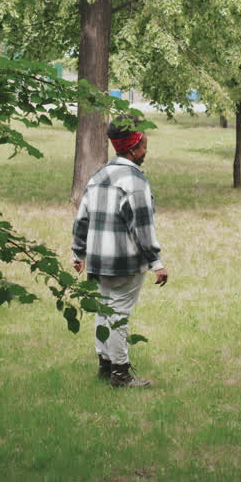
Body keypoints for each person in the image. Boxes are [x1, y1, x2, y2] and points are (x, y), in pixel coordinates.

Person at [72, 117, 168, 388]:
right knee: (118, 314)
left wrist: (78, 252)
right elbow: (142, 226)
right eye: (144, 146)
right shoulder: (135, 181)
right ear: (134, 148)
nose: (146, 151)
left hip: (97, 260)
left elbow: (82, 218)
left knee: (104, 310)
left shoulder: (99, 175)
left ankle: (105, 364)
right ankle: (120, 373)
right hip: (124, 263)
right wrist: (156, 262)